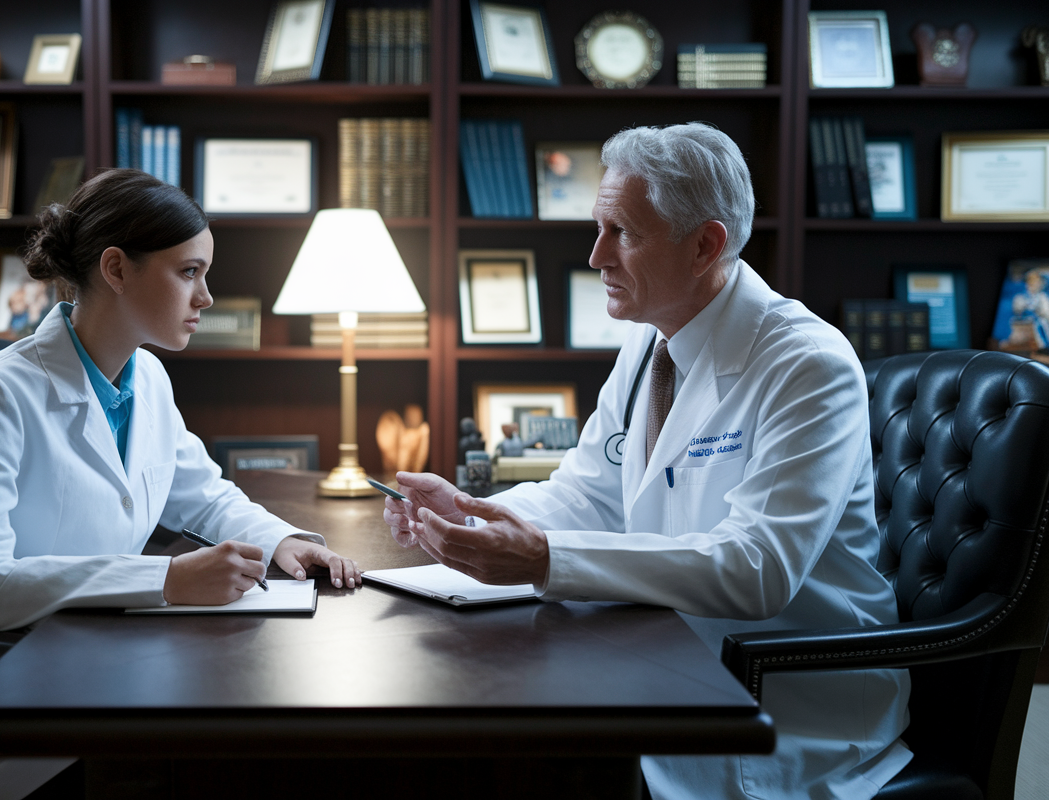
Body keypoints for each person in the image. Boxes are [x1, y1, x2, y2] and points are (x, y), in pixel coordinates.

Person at [383, 124, 911, 800]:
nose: (596, 254)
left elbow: (758, 570)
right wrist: (476, 514)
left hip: (782, 706)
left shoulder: (807, 364)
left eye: (622, 233)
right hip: (665, 669)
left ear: (704, 245)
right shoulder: (648, 344)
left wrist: (544, 559)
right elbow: (588, 492)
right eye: (598, 227)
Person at [0, 169, 361, 800]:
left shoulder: (146, 377)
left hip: (96, 660)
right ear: (117, 269)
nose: (207, 297)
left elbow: (201, 489)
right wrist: (165, 580)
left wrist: (280, 539)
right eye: (189, 272)